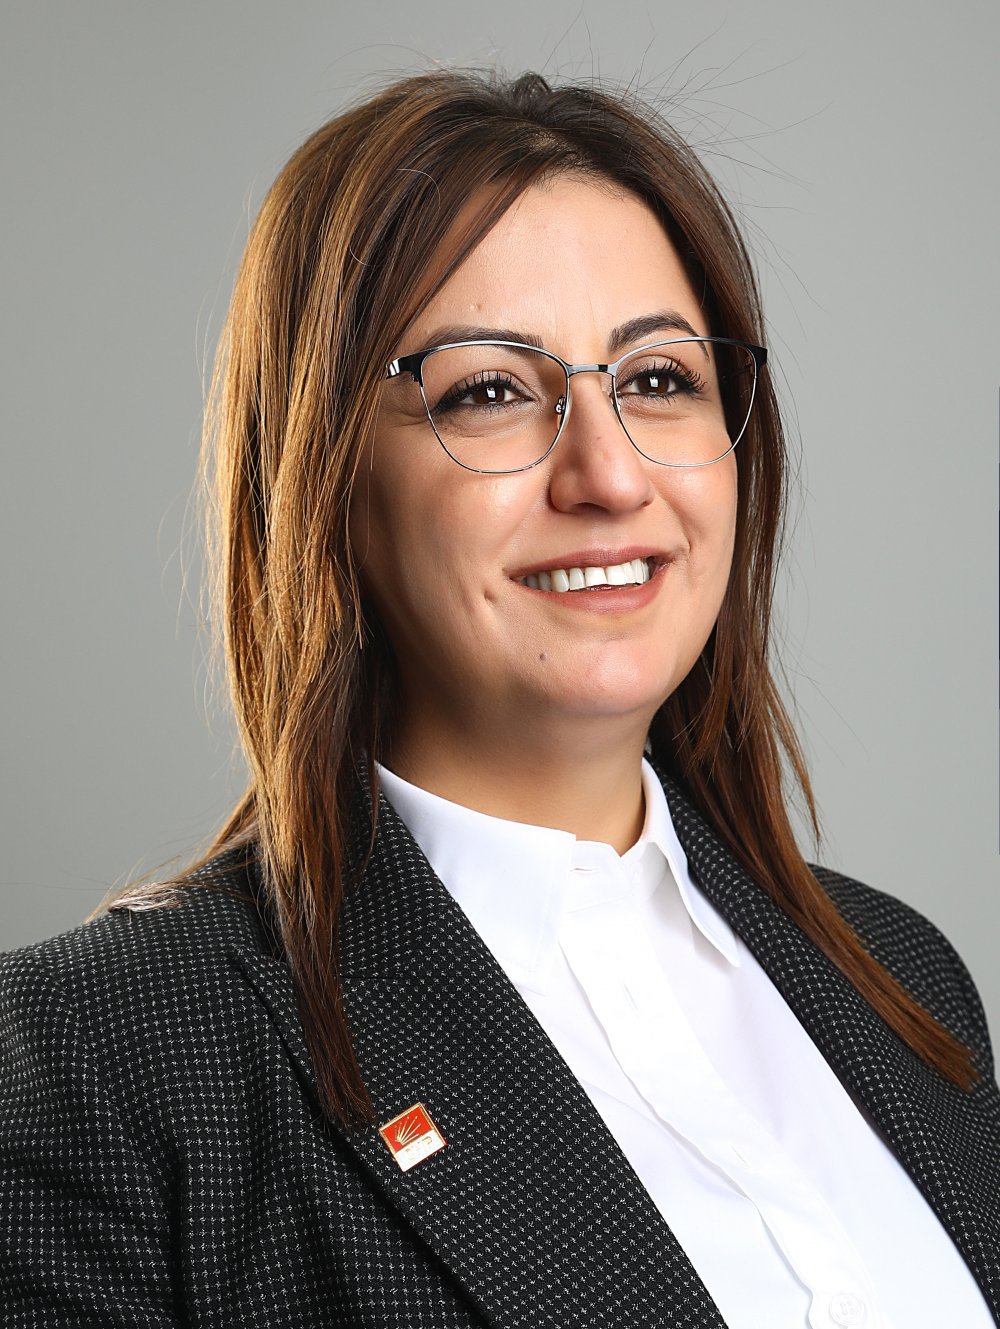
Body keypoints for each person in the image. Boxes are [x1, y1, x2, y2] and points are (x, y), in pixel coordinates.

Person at [1, 69, 997, 1328]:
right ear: (320, 471)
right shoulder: (107, 1055)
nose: (608, 475)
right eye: (488, 390)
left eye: (657, 378)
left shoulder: (903, 978)